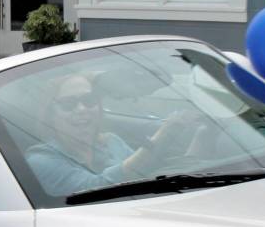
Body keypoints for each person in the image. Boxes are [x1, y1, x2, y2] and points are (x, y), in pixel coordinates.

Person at [26, 74, 209, 197]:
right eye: (69, 104)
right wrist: (164, 133)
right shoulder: (40, 161)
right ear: (50, 114)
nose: (82, 109)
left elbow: (152, 175)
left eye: (89, 100)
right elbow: (99, 187)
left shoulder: (112, 142)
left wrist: (203, 136)